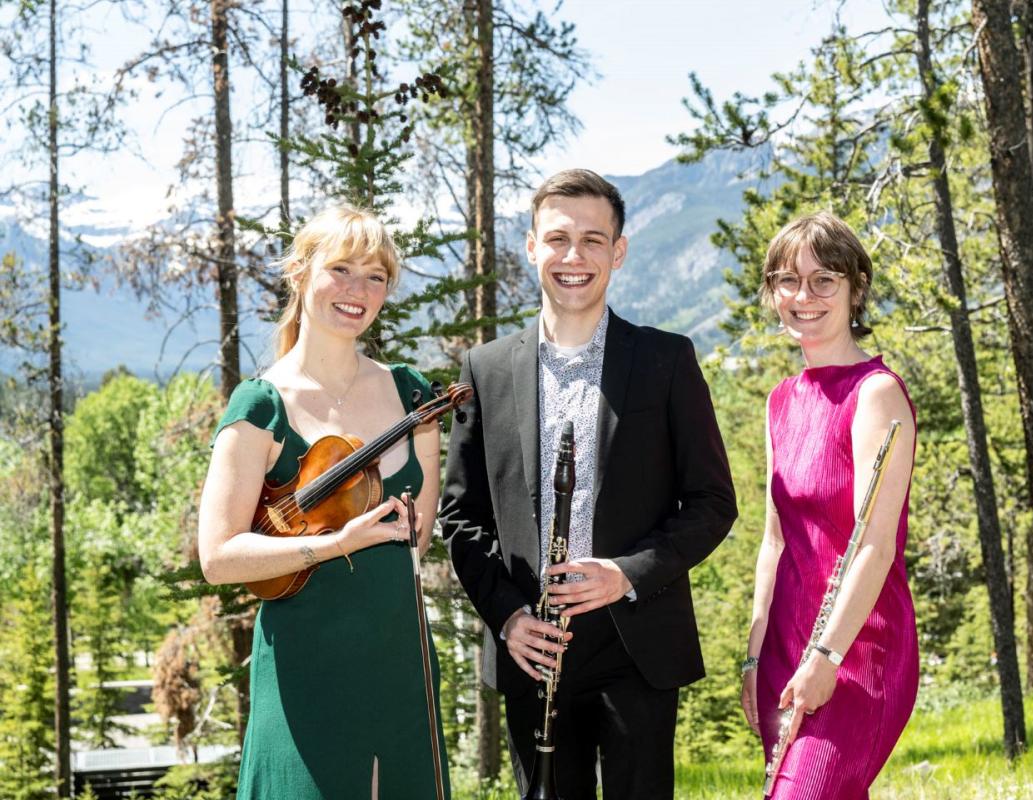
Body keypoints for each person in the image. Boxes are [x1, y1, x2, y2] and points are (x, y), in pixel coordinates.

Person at [439, 169, 737, 799]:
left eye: (593, 240)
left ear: (619, 252)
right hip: (533, 644)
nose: (574, 257)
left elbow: (712, 503)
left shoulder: (667, 360)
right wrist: (508, 617)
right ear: (531, 247)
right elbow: (461, 516)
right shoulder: (485, 369)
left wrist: (626, 572)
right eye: (558, 239)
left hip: (636, 641)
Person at [197, 205, 450, 799]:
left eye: (376, 276)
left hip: (399, 657)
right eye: (341, 269)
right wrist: (333, 544)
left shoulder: (413, 395)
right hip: (305, 666)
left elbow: (417, 538)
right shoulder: (261, 405)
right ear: (300, 273)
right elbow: (218, 557)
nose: (358, 290)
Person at [740, 212, 918, 799]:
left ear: (856, 288)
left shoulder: (877, 394)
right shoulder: (781, 400)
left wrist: (827, 655)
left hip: (858, 646)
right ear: (772, 293)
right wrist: (753, 655)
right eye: (788, 281)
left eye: (824, 281)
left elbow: (876, 543)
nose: (803, 296)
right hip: (784, 641)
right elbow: (775, 540)